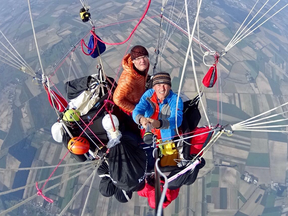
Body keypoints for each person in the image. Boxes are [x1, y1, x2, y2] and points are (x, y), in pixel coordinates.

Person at [132, 72, 183, 142]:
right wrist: (141, 119)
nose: (162, 89)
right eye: (158, 85)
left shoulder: (175, 100)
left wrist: (159, 123)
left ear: (170, 87)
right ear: (154, 87)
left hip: (166, 139)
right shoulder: (149, 95)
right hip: (147, 134)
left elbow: (177, 120)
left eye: (165, 85)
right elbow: (137, 110)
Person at [113, 45, 150, 115]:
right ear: (133, 61)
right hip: (131, 104)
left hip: (139, 97)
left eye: (144, 57)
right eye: (138, 58)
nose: (142, 60)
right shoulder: (128, 79)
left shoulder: (145, 65)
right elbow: (117, 99)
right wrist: (135, 110)